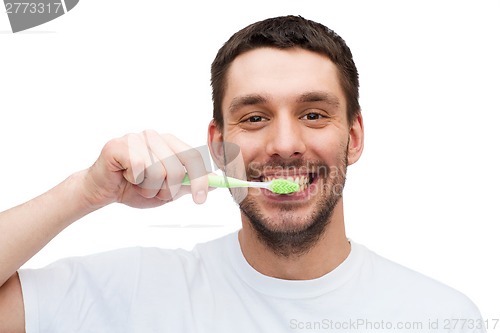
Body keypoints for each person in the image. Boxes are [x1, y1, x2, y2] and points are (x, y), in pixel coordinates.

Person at [0, 15, 485, 332]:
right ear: (217, 146)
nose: (285, 145)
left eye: (314, 114)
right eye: (254, 117)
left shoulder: (442, 317)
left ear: (354, 138)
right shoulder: (137, 291)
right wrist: (84, 192)